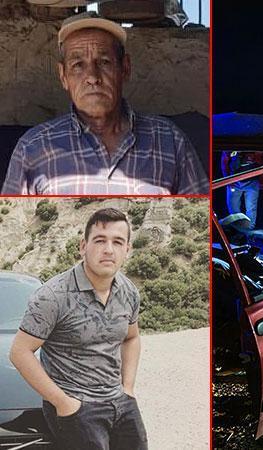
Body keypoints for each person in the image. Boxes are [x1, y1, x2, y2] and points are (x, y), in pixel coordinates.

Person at [1, 12, 208, 195]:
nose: (92, 77)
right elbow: (11, 233)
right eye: (78, 65)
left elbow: (201, 231)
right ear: (63, 76)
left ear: (125, 69)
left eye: (104, 62)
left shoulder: (169, 140)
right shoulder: (32, 148)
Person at [9, 208, 147, 449]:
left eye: (117, 242)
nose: (108, 249)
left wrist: (128, 387)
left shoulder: (128, 291)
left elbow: (131, 338)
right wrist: (62, 402)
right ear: (83, 246)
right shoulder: (53, 296)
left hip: (119, 400)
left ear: (128, 250)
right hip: (76, 406)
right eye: (100, 240)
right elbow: (20, 352)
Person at [220, 151, 263, 228]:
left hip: (252, 180)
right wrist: (227, 179)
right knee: (233, 208)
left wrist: (262, 177)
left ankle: (249, 233)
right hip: (234, 180)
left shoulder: (253, 144)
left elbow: (262, 161)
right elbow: (224, 161)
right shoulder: (230, 144)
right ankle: (237, 230)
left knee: (251, 208)